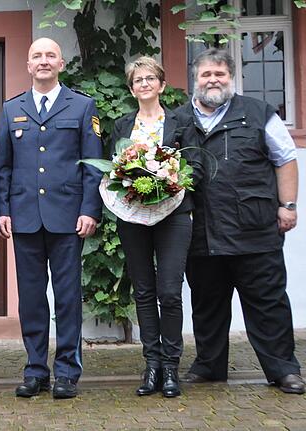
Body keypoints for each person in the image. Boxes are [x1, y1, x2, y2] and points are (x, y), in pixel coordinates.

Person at [177, 48, 304, 394]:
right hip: (201, 231)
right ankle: (209, 366)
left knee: (268, 303)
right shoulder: (178, 120)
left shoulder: (258, 112)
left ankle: (283, 369)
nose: (213, 80)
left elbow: (285, 158)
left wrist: (287, 205)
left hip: (255, 228)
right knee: (207, 305)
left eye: (220, 74)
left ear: (231, 78)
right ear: (195, 79)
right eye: (206, 74)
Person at [0, 37, 102, 399]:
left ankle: (67, 372)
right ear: (28, 66)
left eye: (49, 56)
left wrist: (90, 209)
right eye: (36, 56)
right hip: (25, 218)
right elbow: (3, 167)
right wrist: (3, 209)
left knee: (67, 297)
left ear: (61, 63)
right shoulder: (12, 109)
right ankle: (36, 370)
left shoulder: (84, 106)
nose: (43, 61)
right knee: (31, 299)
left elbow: (93, 166)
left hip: (68, 219)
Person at [111, 56, 197, 398]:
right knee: (143, 291)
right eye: (137, 80)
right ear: (131, 89)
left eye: (150, 78)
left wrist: (174, 182)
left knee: (170, 292)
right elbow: (115, 172)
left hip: (174, 216)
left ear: (161, 85)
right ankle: (152, 367)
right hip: (134, 217)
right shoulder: (121, 127)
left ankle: (172, 368)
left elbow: (195, 166)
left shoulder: (181, 122)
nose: (144, 84)